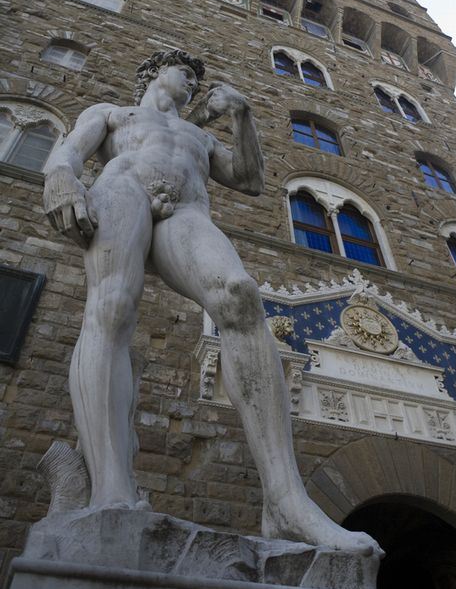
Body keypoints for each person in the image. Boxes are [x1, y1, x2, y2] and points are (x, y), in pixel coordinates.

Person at [44, 49, 380, 554]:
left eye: (197, 79)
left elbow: (249, 179)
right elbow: (70, 148)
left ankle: (286, 504)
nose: (193, 83)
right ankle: (110, 490)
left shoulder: (201, 136)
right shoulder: (116, 113)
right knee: (111, 307)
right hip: (123, 188)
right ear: (155, 71)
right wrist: (61, 176)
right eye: (186, 73)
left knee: (240, 297)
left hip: (188, 208)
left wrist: (242, 115)